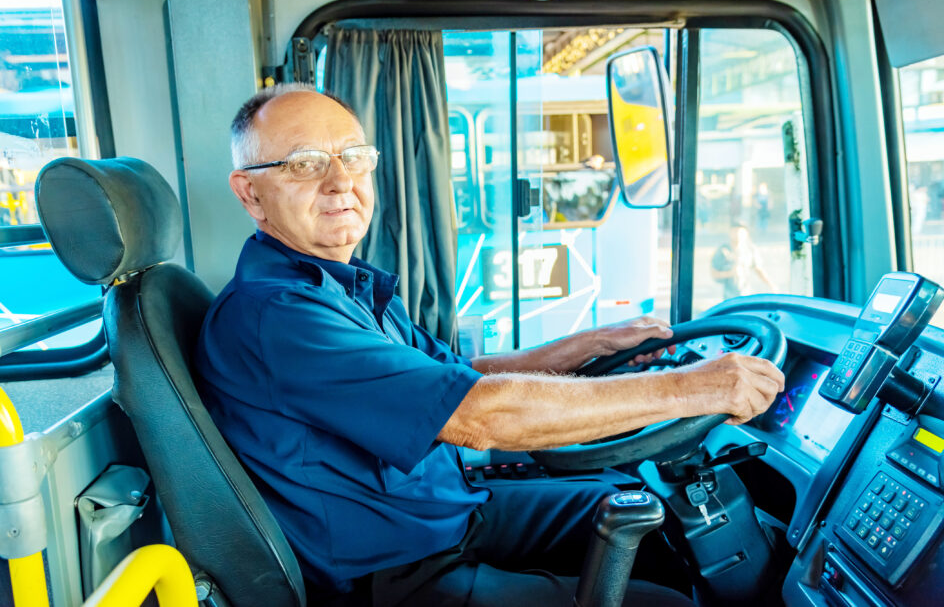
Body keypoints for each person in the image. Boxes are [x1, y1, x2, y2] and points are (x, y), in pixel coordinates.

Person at [195, 84, 785, 607]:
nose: (341, 181)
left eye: (354, 157)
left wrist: (592, 343)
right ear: (250, 193)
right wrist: (693, 386)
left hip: (449, 512)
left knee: (642, 512)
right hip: (399, 573)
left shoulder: (336, 285)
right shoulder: (276, 314)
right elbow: (479, 414)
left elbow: (459, 372)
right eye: (305, 163)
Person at [710, 222, 775, 299]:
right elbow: (714, 273)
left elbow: (758, 269)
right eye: (735, 231)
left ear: (746, 234)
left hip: (746, 294)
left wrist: (771, 285)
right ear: (730, 233)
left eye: (740, 232)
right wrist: (730, 273)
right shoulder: (723, 250)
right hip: (728, 297)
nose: (737, 234)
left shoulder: (751, 250)